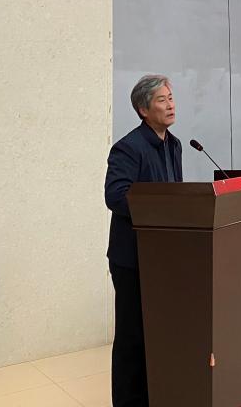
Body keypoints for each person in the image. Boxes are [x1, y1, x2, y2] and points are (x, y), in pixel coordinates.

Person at [104, 75, 183, 407]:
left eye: (171, 97)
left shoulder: (175, 145)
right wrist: (159, 210)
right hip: (132, 259)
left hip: (163, 258)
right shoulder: (128, 147)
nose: (170, 105)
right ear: (143, 109)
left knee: (158, 335)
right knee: (132, 337)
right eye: (162, 100)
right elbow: (115, 196)